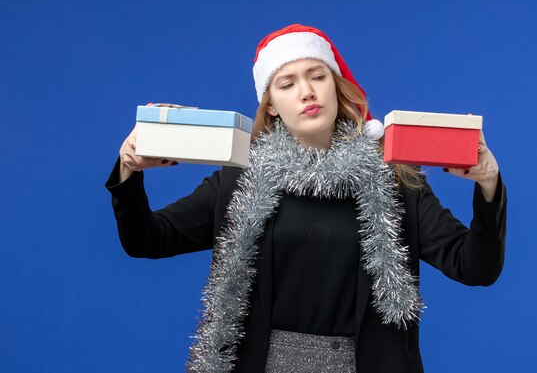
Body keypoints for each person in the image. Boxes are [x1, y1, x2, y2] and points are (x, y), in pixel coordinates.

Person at [106, 24, 507, 373]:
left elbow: (474, 266)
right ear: (273, 106)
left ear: (336, 86)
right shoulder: (240, 180)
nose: (306, 91)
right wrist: (129, 171)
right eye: (287, 83)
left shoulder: (396, 178)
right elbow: (147, 240)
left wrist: (488, 185)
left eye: (316, 76)